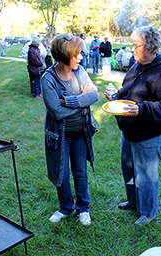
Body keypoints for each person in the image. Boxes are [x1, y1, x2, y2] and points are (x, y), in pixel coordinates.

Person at [104, 25, 161, 226]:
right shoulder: (137, 65)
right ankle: (133, 202)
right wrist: (116, 95)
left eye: (136, 45)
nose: (133, 48)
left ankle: (147, 211)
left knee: (145, 175)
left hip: (149, 134)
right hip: (129, 131)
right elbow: (128, 88)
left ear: (150, 47)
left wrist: (142, 109)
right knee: (129, 169)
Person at [41, 33, 99, 225]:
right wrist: (82, 101)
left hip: (81, 133)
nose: (81, 57)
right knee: (62, 174)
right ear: (65, 56)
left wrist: (67, 101)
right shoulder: (47, 78)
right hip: (60, 136)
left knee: (80, 172)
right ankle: (66, 207)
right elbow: (56, 112)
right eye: (77, 54)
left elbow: (94, 95)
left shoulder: (79, 70)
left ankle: (84, 209)